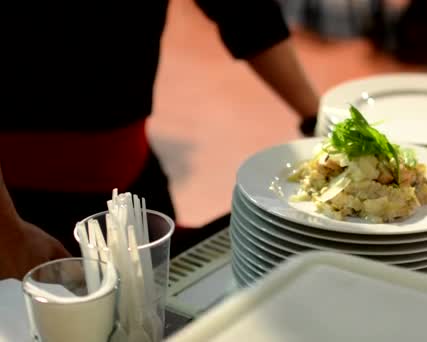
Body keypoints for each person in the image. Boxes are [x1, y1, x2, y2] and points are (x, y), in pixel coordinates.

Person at [0, 0, 319, 279]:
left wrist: (317, 118)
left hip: (132, 191)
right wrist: (8, 233)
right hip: (18, 209)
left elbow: (245, 13)